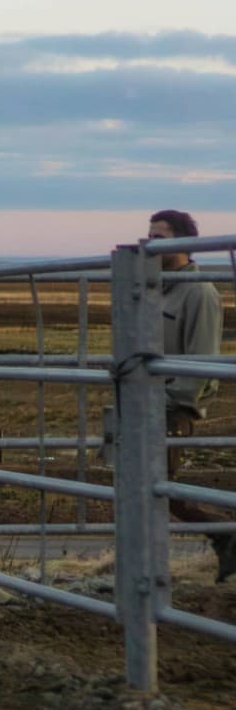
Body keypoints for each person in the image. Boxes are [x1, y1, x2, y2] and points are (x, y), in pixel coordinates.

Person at [146, 209, 234, 580]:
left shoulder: (199, 293)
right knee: (145, 485)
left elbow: (201, 359)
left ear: (184, 243)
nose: (149, 244)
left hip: (172, 407)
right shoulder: (154, 288)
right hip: (147, 402)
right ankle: (221, 537)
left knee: (156, 487)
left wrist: (178, 403)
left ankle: (225, 534)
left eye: (159, 238)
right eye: (149, 236)